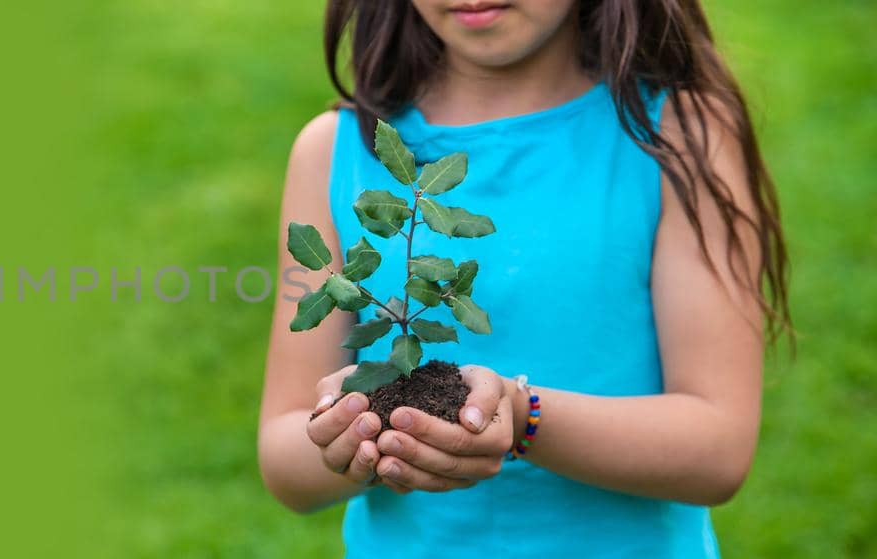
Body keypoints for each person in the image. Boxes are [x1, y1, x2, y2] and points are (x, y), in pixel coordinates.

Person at [256, 1, 790, 556]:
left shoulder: (677, 137)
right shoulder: (333, 152)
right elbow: (284, 457)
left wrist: (522, 416)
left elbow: (718, 452)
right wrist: (354, 433)